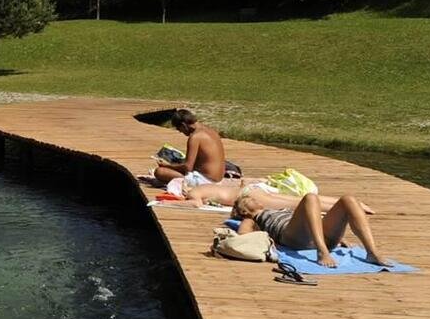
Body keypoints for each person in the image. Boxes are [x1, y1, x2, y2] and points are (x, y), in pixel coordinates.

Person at [234, 188, 392, 269]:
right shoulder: (251, 219)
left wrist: (341, 238)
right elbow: (243, 235)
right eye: (247, 200)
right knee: (310, 197)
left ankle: (372, 251)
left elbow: (313, 218)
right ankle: (322, 251)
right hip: (291, 236)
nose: (252, 199)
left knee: (348, 199)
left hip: (318, 235)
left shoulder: (279, 210)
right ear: (243, 211)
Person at [151, 108, 228, 187]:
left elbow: (188, 167)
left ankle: (187, 184)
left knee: (160, 172)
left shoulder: (195, 137)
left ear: (184, 125)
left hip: (206, 181)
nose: (181, 132)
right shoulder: (211, 131)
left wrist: (166, 165)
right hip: (218, 180)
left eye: (179, 129)